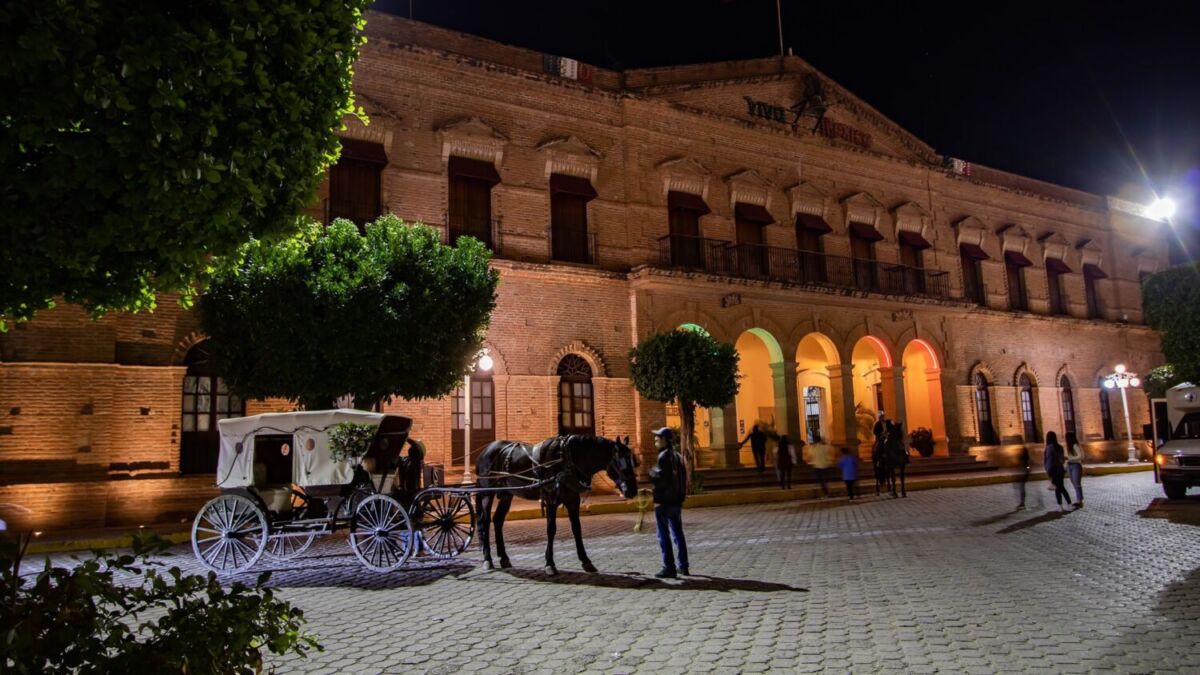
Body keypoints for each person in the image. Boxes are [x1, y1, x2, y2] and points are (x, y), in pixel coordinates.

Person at [649, 427, 689, 578]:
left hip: (664, 503)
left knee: (663, 535)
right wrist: (681, 498)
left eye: (658, 438)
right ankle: (683, 565)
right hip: (676, 502)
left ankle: (669, 567)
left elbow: (661, 478)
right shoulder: (678, 456)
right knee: (678, 534)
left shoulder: (664, 457)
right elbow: (683, 479)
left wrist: (651, 473)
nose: (655, 440)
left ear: (665, 440)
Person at [1043, 431, 1070, 512]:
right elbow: (1062, 460)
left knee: (1060, 488)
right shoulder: (1060, 447)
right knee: (1059, 488)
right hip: (1060, 469)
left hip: (1053, 470)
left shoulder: (1049, 448)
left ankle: (1066, 505)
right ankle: (1061, 506)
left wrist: (1048, 471)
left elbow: (1048, 460)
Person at [885, 420, 910, 498]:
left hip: (895, 441)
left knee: (902, 447)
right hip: (889, 439)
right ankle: (883, 456)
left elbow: (901, 436)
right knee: (884, 444)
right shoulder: (886, 424)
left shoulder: (895, 426)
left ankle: (906, 457)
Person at [808, 432, 834, 498]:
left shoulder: (812, 448)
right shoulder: (825, 447)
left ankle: (826, 492)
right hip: (825, 465)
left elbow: (810, 457)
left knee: (821, 481)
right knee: (824, 480)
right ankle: (827, 492)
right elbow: (831, 453)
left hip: (817, 466)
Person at [1065, 431, 1084, 508]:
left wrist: (1069, 458)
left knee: (1077, 483)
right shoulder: (1068, 446)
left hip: (1076, 465)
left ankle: (1079, 501)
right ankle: (1078, 499)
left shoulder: (1075, 445)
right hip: (1069, 465)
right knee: (1074, 483)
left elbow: (1081, 456)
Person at [872, 411, 887, 495]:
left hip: (887, 438)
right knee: (877, 446)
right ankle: (876, 457)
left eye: (883, 416)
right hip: (880, 438)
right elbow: (875, 431)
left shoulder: (887, 423)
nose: (882, 417)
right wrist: (881, 434)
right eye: (881, 416)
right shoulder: (877, 424)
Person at [1015, 445, 1031, 510]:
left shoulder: (1023, 458)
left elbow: (1024, 466)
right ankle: (1022, 502)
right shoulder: (1026, 458)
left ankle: (1022, 503)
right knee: (1022, 488)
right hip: (1024, 473)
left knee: (1022, 488)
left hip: (1023, 474)